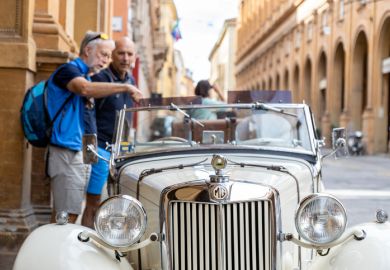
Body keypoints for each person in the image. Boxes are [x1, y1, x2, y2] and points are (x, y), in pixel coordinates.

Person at [46, 31, 143, 224]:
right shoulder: (70, 70)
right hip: (69, 149)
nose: (106, 60)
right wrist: (125, 87)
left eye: (108, 55)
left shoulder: (88, 76)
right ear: (88, 50)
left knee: (74, 210)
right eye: (104, 55)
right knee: (67, 215)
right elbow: (84, 90)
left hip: (83, 150)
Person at [81, 37, 138, 228]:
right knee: (93, 202)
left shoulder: (131, 79)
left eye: (129, 54)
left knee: (117, 201)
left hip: (121, 151)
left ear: (135, 57)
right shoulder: (101, 79)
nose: (125, 58)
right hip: (101, 150)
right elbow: (87, 113)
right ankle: (86, 244)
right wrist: (91, 150)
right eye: (121, 53)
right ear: (112, 55)